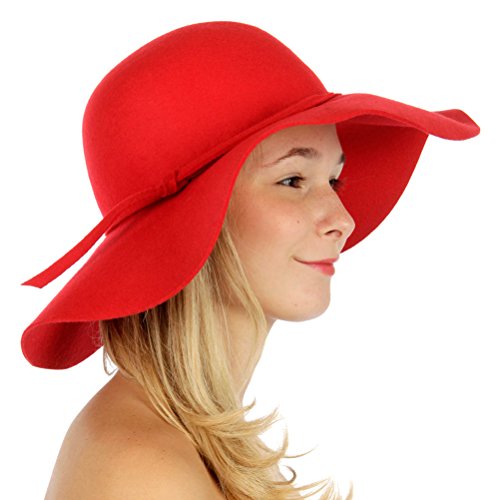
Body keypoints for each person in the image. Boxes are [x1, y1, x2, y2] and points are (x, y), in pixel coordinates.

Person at [20, 21, 479, 500]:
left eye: (334, 181)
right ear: (195, 222)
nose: (343, 220)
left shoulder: (191, 442)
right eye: (293, 180)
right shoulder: (144, 470)